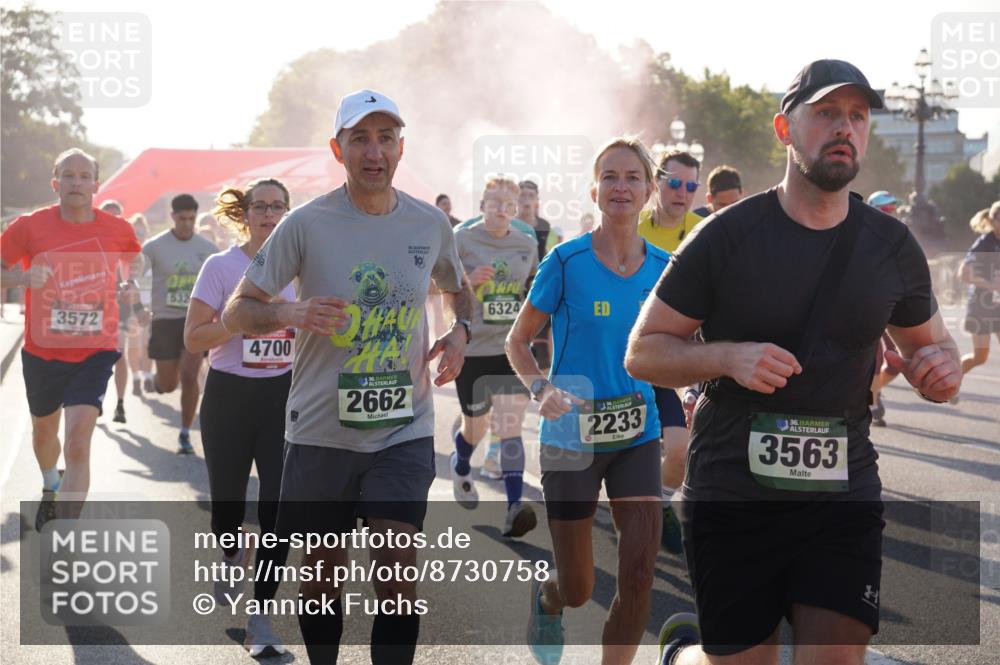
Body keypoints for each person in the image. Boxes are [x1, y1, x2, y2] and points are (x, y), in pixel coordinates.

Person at [626, 59, 962, 665]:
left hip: (841, 493)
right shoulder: (728, 236)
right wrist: (728, 356)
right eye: (827, 113)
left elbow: (931, 347)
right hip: (733, 489)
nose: (845, 128)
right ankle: (684, 656)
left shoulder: (890, 245)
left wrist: (941, 371)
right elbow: (643, 351)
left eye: (857, 116)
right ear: (785, 128)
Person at [222, 88, 473, 665]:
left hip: (403, 431)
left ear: (401, 148)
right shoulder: (305, 225)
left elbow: (463, 296)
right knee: (322, 580)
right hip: (319, 432)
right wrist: (288, 312)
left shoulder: (431, 223)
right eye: (360, 138)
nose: (374, 151)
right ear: (338, 150)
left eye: (385, 138)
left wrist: (459, 334)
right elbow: (239, 309)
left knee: (396, 576)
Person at [507, 136, 669, 665]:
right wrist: (540, 387)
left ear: (648, 191)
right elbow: (518, 340)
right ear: (594, 189)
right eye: (610, 177)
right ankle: (547, 599)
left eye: (632, 177)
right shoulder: (566, 260)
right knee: (578, 587)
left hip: (638, 435)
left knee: (640, 572)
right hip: (570, 439)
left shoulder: (667, 268)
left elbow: (682, 344)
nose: (621, 186)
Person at [0, 148, 142, 530]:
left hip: (95, 348)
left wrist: (130, 283)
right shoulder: (29, 227)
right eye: (68, 175)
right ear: (55, 182)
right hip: (43, 350)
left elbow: (134, 259)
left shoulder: (116, 228)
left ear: (96, 185)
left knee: (78, 441)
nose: (76, 182)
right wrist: (22, 279)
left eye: (84, 176)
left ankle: (65, 535)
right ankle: (50, 484)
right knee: (44, 433)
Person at [184, 178, 294, 658]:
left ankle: (261, 618)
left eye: (279, 206)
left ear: (289, 215)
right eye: (261, 206)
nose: (270, 213)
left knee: (278, 510)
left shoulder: (304, 267)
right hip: (229, 397)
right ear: (245, 214)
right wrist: (237, 318)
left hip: (285, 397)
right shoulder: (221, 266)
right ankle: (231, 552)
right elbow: (192, 339)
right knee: (227, 505)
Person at [451, 175, 539, 536]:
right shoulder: (462, 239)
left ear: (516, 209)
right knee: (477, 425)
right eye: (495, 202)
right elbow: (443, 287)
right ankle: (460, 463)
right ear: (482, 205)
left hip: (510, 347)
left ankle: (514, 506)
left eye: (509, 205)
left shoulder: (526, 243)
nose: (502, 209)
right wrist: (470, 279)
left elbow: (532, 289)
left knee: (510, 426)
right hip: (472, 349)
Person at [638, 150, 705, 554]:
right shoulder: (632, 224)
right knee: (623, 451)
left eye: (692, 186)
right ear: (657, 184)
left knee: (678, 449)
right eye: (675, 183)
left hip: (673, 359)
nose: (683, 193)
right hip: (624, 357)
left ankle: (658, 507)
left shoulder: (706, 230)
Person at [142, 194, 218, 453]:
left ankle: (185, 433)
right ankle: (159, 380)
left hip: (195, 320)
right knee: (169, 384)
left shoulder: (208, 249)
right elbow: (135, 275)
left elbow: (221, 282)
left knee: (190, 374)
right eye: (182, 218)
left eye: (191, 218)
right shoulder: (153, 246)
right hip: (164, 320)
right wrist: (137, 304)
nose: (187, 223)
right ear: (172, 216)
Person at [97, 199, 139, 424]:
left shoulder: (125, 239)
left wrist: (130, 284)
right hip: (94, 306)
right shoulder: (91, 239)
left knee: (119, 353)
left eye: (117, 216)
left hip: (119, 304)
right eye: (108, 216)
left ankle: (120, 404)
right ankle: (97, 398)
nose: (113, 220)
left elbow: (133, 267)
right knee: (96, 355)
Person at [866, 191, 904, 425]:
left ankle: (871, 393)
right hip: (865, 307)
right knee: (875, 360)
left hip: (892, 306)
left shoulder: (899, 236)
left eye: (894, 209)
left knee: (896, 360)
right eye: (887, 209)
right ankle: (871, 400)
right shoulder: (862, 233)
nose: (893, 213)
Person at [958, 201, 1000, 377]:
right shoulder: (984, 244)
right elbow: (963, 274)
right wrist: (992, 285)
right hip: (981, 306)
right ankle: (947, 381)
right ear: (991, 220)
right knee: (979, 357)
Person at [126, 213, 154, 396]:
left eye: (142, 232)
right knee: (134, 344)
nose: (139, 235)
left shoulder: (153, 254)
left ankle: (147, 376)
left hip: (150, 305)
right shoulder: (126, 256)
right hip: (131, 307)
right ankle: (136, 378)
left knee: (148, 344)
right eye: (135, 232)